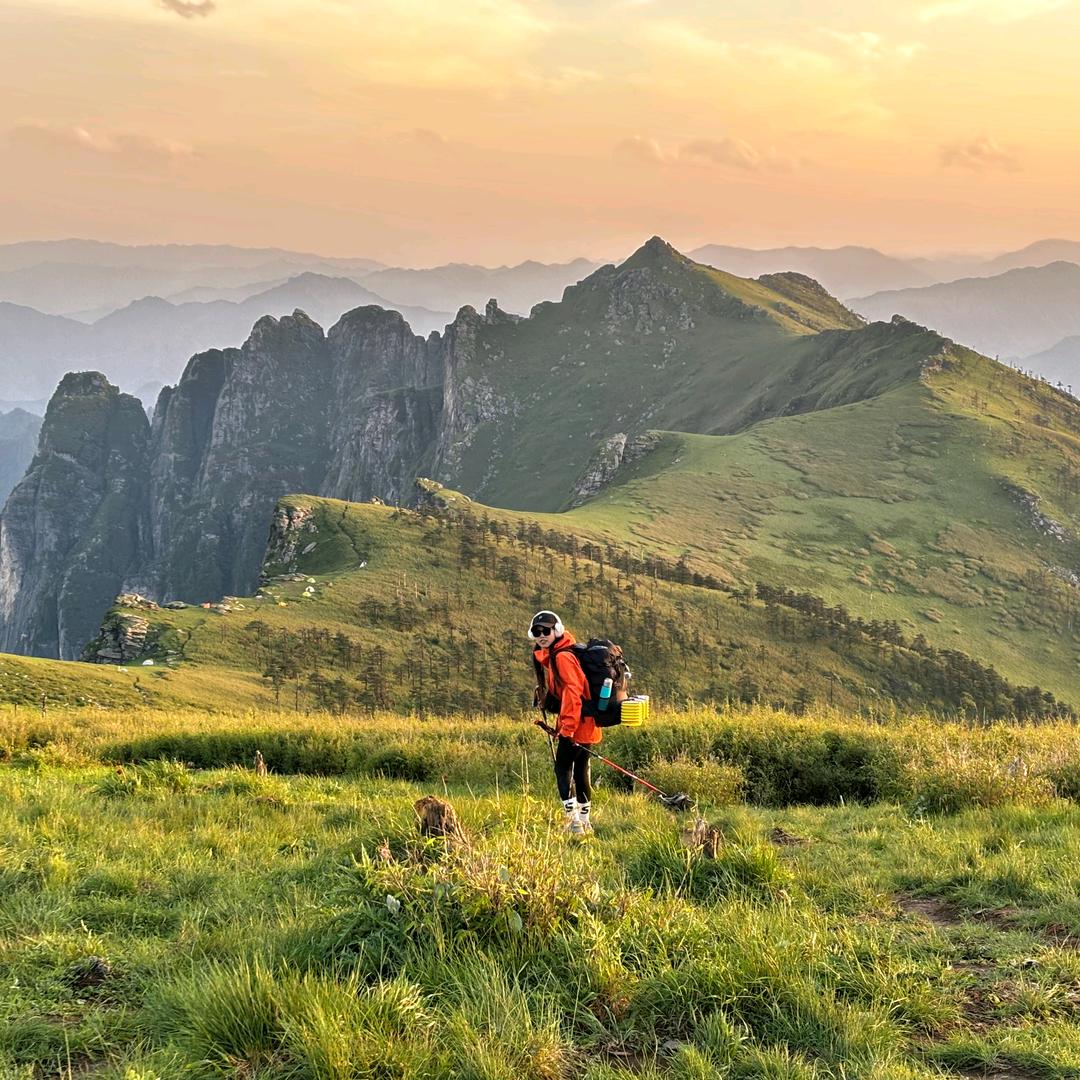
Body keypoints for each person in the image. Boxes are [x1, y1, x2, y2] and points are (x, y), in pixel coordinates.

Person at [529, 609, 600, 835]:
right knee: (581, 771)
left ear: (556, 630)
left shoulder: (562, 657)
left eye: (546, 631)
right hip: (586, 722)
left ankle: (574, 822)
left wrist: (567, 729)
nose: (541, 635)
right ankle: (584, 823)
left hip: (575, 723)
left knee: (562, 769)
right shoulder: (560, 653)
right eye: (537, 632)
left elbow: (572, 692)